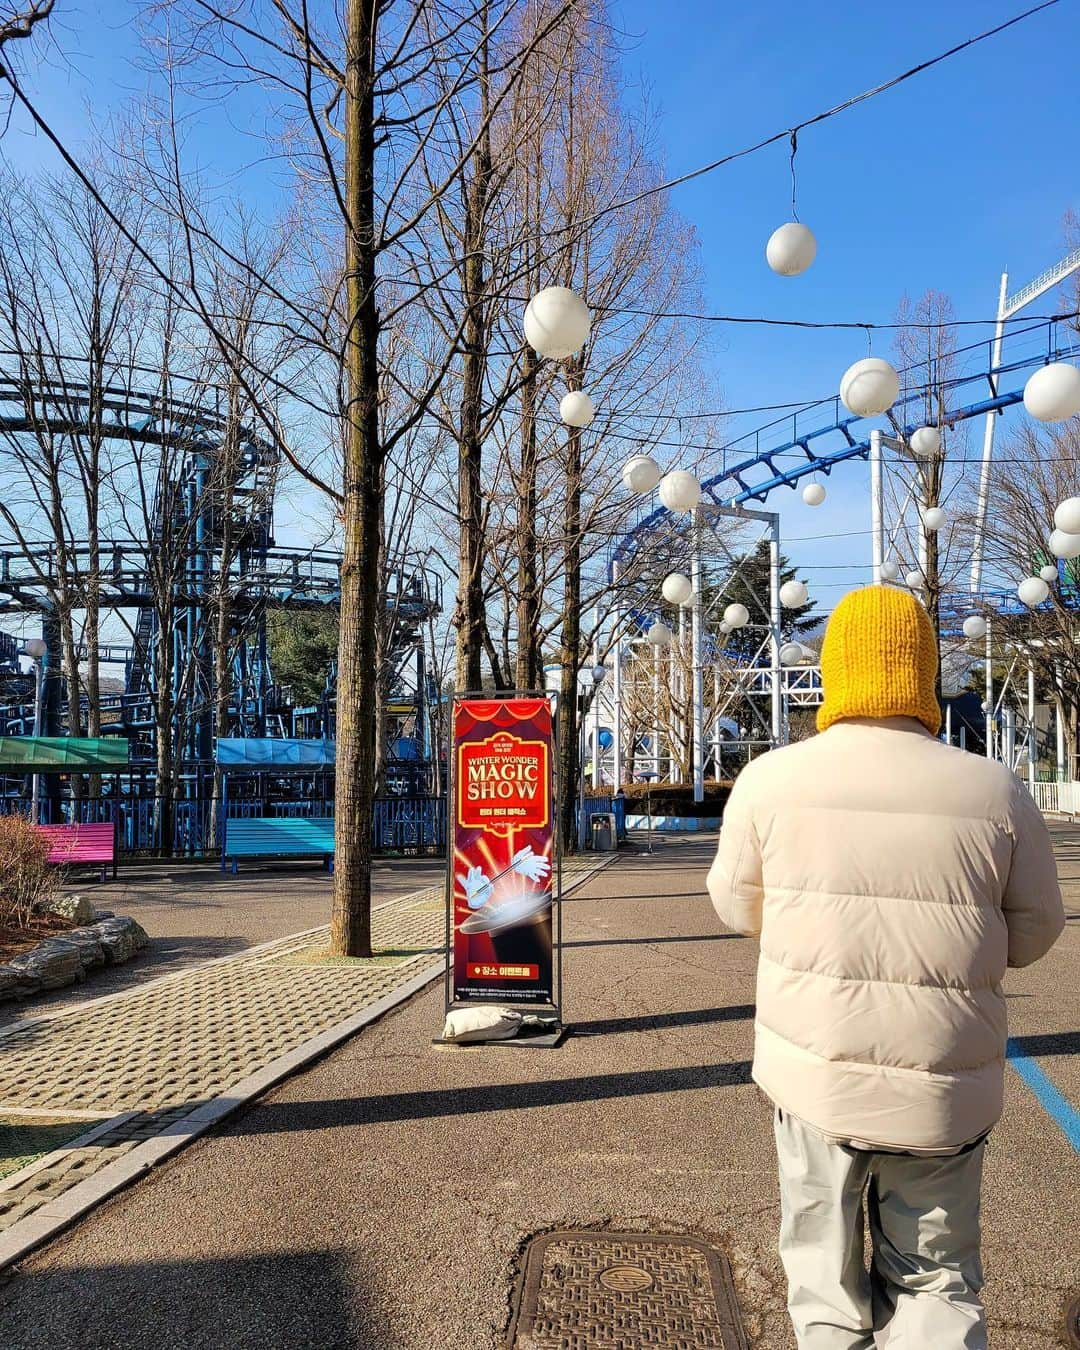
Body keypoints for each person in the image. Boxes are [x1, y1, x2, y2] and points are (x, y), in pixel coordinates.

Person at [706, 584, 1065, 1349]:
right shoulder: (993, 789)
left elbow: (739, 910)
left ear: (836, 673)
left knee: (824, 1289)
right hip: (943, 1085)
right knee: (939, 1284)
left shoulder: (771, 780)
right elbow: (1036, 934)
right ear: (924, 673)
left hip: (815, 1077)